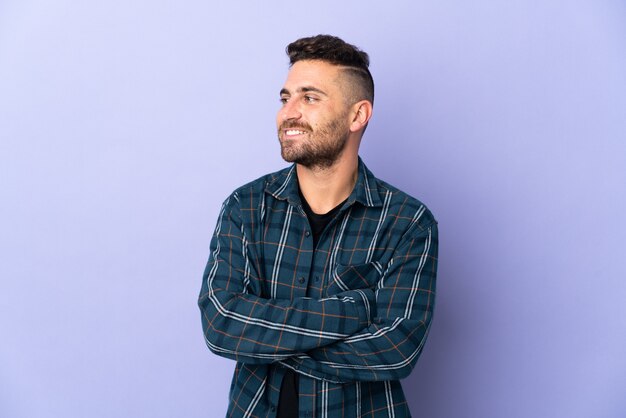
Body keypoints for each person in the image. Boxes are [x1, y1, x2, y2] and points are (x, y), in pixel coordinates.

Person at [198, 34, 438, 418]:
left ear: (357, 115)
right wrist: (356, 309)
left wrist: (267, 338)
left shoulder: (407, 222)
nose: (288, 112)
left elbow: (395, 349)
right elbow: (222, 324)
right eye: (285, 97)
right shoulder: (245, 207)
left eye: (309, 98)